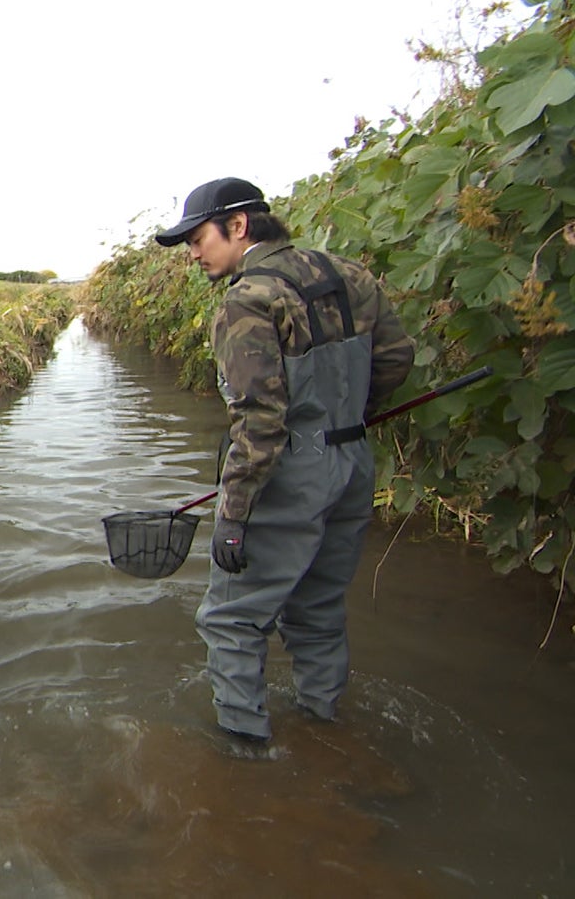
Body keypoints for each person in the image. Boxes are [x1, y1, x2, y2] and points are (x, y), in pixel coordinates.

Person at [154, 177, 415, 743]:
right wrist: (345, 419)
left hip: (289, 476)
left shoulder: (247, 300)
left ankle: (246, 759)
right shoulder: (350, 276)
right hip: (352, 467)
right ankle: (325, 730)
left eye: (198, 238)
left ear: (239, 225)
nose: (194, 254)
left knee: (229, 619)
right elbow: (397, 358)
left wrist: (233, 514)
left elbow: (260, 421)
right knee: (317, 611)